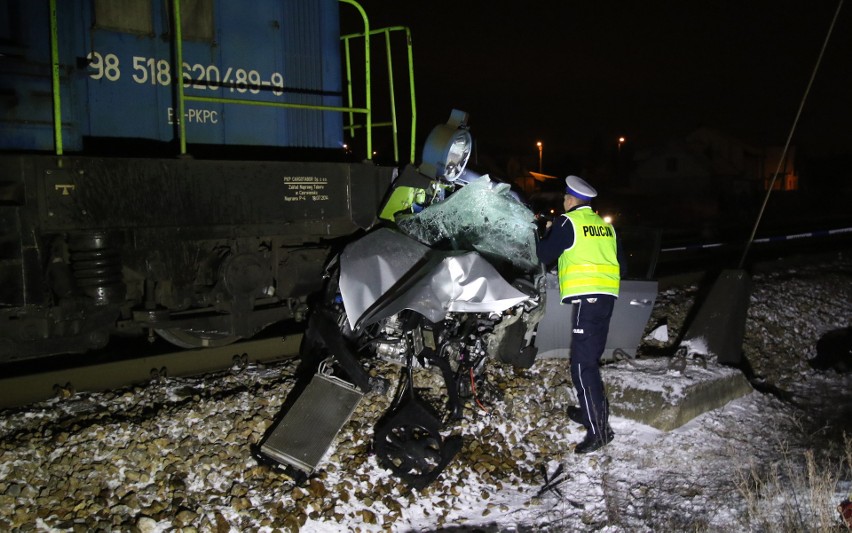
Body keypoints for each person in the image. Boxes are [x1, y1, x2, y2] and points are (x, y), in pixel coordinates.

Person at [536, 175, 620, 453]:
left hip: (588, 299)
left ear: (571, 200)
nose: (563, 202)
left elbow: (544, 254)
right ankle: (590, 412)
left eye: (564, 199)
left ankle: (599, 431)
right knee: (590, 360)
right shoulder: (603, 226)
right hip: (606, 297)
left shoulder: (567, 222)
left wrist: (546, 232)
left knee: (583, 367)